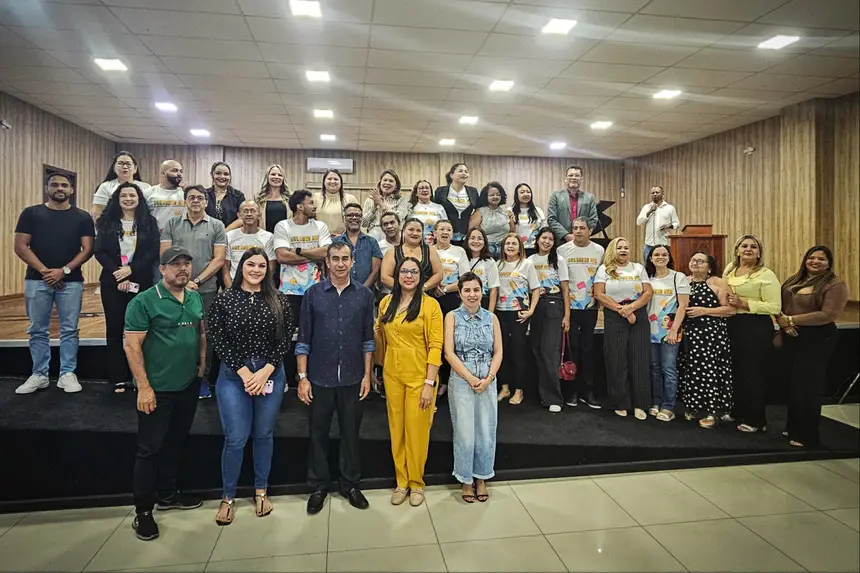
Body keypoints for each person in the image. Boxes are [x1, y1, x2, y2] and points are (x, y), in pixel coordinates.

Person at [208, 247, 295, 525]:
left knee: (263, 435)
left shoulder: (279, 300)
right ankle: (228, 497)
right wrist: (246, 373)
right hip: (235, 376)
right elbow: (218, 340)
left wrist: (266, 371)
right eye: (250, 264)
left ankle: (261, 491)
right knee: (235, 439)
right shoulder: (225, 300)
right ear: (240, 267)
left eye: (261, 265)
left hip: (270, 373)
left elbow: (284, 341)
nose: (256, 269)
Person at [124, 246, 206, 541]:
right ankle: (143, 512)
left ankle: (168, 493)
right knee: (149, 449)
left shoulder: (195, 297)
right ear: (162, 269)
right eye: (175, 265)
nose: (182, 268)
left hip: (187, 385)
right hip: (156, 390)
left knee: (175, 442)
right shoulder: (144, 302)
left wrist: (202, 366)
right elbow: (132, 346)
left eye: (186, 263)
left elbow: (200, 332)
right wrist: (144, 387)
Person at [296, 242, 376, 514]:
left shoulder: (364, 295)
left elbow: (368, 341)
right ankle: (318, 486)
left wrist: (367, 375)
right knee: (317, 433)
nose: (340, 264)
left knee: (351, 434)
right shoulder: (313, 294)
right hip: (319, 378)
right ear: (327, 262)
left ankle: (350, 484)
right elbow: (303, 340)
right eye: (335, 259)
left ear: (352, 262)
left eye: (345, 259)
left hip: (354, 378)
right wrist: (303, 377)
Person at [14, 172, 95, 395]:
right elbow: (21, 246)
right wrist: (45, 272)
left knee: (70, 329)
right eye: (55, 184)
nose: (60, 188)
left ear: (72, 190)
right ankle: (39, 374)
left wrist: (64, 271)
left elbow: (87, 249)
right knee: (37, 330)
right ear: (47, 188)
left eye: (64, 185)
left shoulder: (82, 217)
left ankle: (67, 373)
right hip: (36, 280)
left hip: (71, 282)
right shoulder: (31, 213)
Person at [376, 257, 443, 506]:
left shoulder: (430, 306)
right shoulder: (386, 303)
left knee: (416, 431)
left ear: (421, 276)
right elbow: (379, 335)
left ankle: (416, 483)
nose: (408, 276)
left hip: (419, 377)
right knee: (397, 429)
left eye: (414, 272)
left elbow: (436, 345)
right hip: (392, 374)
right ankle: (401, 481)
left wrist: (429, 383)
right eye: (404, 271)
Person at [160, 185, 228, 400]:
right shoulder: (172, 224)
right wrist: (182, 281)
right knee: (175, 331)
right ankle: (176, 375)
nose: (196, 201)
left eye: (200, 197)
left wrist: (195, 281)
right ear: (185, 201)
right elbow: (165, 255)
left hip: (205, 289)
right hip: (175, 289)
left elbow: (219, 259)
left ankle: (202, 378)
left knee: (203, 334)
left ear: (206, 202)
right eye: (191, 197)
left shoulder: (217, 225)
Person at [778, 246, 848, 448]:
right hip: (791, 335)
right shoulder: (795, 279)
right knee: (793, 385)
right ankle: (792, 428)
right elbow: (780, 305)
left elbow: (828, 315)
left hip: (817, 338)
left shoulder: (835, 284)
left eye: (821, 259)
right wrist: (784, 322)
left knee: (808, 387)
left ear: (829, 263)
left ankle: (807, 434)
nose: (815, 262)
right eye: (811, 258)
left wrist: (790, 319)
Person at [94, 182, 160, 393]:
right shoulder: (107, 222)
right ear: (117, 198)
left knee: (140, 329)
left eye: (133, 195)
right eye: (124, 195)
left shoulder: (149, 222)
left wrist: (130, 270)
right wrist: (118, 273)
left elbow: (152, 252)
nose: (128, 199)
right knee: (114, 329)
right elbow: (100, 251)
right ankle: (118, 377)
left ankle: (139, 374)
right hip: (112, 281)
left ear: (139, 198)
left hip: (140, 281)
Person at [444, 272, 503, 503]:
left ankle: (482, 477)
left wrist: (489, 378)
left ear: (482, 292)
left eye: (476, 290)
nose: (472, 294)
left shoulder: (492, 318)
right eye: (467, 290)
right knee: (465, 433)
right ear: (460, 293)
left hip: (487, 379)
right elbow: (448, 352)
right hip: (461, 378)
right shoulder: (451, 317)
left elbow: (498, 352)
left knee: (486, 432)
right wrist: (469, 377)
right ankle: (466, 479)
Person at [273, 189, 332, 387]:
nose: (314, 206)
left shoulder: (320, 226)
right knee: (288, 336)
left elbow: (326, 252)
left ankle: (310, 377)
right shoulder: (283, 226)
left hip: (316, 289)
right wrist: (311, 255)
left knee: (314, 334)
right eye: (311, 202)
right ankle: (288, 379)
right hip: (289, 292)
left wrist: (297, 251)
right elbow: (282, 256)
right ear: (300, 206)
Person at [723, 234, 781, 433]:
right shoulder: (730, 270)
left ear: (759, 253)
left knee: (752, 373)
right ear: (737, 250)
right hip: (733, 325)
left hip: (755, 326)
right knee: (737, 371)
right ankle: (739, 410)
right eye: (744, 246)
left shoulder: (766, 274)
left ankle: (756, 420)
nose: (748, 249)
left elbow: (774, 306)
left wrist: (744, 304)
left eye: (753, 247)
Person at [594, 237, 653, 419]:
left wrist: (631, 308)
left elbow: (648, 292)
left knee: (639, 359)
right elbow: (599, 294)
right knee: (616, 359)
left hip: (638, 315)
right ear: (613, 250)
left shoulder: (638, 268)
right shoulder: (604, 269)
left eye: (626, 247)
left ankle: (640, 404)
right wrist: (623, 310)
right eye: (619, 247)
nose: (623, 250)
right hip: (615, 315)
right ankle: (620, 402)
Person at [679, 252, 735, 429]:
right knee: (692, 370)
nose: (695, 263)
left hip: (712, 335)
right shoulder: (684, 281)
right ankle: (695, 407)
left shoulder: (717, 282)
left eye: (700, 261)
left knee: (710, 370)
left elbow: (730, 310)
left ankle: (713, 412)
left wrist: (704, 311)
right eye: (693, 260)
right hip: (691, 335)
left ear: (709, 266)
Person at [556, 217, 604, 408]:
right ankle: (571, 391)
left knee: (588, 348)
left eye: (582, 228)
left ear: (590, 231)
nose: (578, 231)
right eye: (574, 228)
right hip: (569, 307)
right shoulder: (562, 250)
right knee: (571, 349)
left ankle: (588, 390)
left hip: (589, 307)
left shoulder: (599, 250)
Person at [527, 228, 570, 412]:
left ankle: (554, 398)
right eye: (544, 238)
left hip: (554, 305)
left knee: (549, 352)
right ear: (537, 240)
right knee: (536, 348)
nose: (547, 241)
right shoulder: (529, 261)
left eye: (551, 239)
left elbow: (566, 290)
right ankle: (542, 393)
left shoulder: (559, 261)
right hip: (535, 306)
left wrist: (567, 315)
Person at [645, 245, 689, 421]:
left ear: (669, 257)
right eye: (656, 254)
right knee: (654, 369)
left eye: (664, 254)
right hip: (650, 330)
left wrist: (674, 330)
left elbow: (683, 306)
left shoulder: (678, 277)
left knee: (669, 369)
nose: (660, 257)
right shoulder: (647, 278)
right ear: (650, 258)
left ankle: (669, 406)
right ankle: (656, 402)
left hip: (670, 332)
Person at [495, 234, 540, 406]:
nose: (511, 246)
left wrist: (531, 311)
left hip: (519, 314)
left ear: (520, 247)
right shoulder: (497, 264)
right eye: (508, 243)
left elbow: (535, 289)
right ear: (503, 247)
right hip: (501, 313)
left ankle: (519, 390)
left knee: (519, 352)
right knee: (502, 351)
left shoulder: (527, 264)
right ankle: (505, 388)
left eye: (514, 243)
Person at [431, 219, 470, 397]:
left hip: (451, 299)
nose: (445, 232)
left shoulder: (459, 251)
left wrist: (445, 288)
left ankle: (447, 381)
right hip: (430, 298)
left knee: (449, 341)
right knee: (432, 340)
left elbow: (465, 278)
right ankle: (433, 379)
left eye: (449, 229)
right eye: (442, 229)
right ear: (435, 232)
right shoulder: (429, 250)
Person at [380, 217, 443, 293]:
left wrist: (422, 288)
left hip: (425, 295)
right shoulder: (392, 252)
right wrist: (405, 290)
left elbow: (439, 274)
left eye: (418, 230)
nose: (415, 233)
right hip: (399, 296)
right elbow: (385, 277)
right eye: (411, 229)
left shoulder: (430, 250)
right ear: (403, 231)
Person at [222, 200, 276, 288]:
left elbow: (271, 268)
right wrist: (231, 290)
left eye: (253, 211)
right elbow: (225, 269)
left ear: (259, 214)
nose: (249, 214)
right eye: (245, 211)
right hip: (235, 285)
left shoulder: (268, 237)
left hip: (259, 286)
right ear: (239, 215)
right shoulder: (229, 236)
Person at [228, 164, 292, 234]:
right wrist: (224, 232)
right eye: (273, 174)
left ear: (283, 179)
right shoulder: (258, 198)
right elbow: (247, 218)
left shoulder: (290, 198)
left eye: (280, 175)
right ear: (267, 177)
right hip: (265, 239)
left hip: (286, 238)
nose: (276, 177)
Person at [547, 165, 599, 244]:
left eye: (577, 175)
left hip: (583, 241)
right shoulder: (556, 196)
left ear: (581, 179)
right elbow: (551, 219)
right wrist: (566, 235)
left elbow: (593, 219)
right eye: (570, 175)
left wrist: (582, 235)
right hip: (561, 241)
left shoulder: (590, 197)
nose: (573, 178)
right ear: (566, 179)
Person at [92, 150, 149, 220]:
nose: (125, 167)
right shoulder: (105, 187)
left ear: (135, 168)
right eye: (120, 163)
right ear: (114, 168)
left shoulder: (146, 187)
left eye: (128, 164)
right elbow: (97, 212)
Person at [335, 203, 382, 287]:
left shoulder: (372, 242)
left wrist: (363, 289)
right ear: (343, 218)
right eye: (350, 215)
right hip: (340, 292)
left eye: (358, 215)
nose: (354, 218)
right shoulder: (335, 242)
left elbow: (376, 270)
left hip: (366, 293)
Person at [434, 163, 479, 245]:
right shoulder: (440, 191)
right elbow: (435, 211)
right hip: (445, 235)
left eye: (466, 171)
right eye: (460, 171)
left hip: (466, 236)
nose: (464, 173)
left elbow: (479, 210)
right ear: (451, 175)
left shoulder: (473, 191)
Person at [469, 181, 515, 259]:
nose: (495, 197)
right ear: (485, 197)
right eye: (492, 195)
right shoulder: (479, 212)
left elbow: (512, 232)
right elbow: (471, 233)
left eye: (498, 194)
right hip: (485, 249)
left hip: (505, 250)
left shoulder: (506, 212)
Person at [362, 170, 410, 241]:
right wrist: (374, 207)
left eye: (391, 181)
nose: (387, 183)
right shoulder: (370, 199)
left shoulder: (402, 200)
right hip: (374, 234)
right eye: (385, 180)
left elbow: (398, 218)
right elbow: (363, 224)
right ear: (380, 183)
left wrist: (381, 204)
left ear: (396, 186)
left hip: (394, 234)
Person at [636, 186, 680, 262]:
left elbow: (677, 223)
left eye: (657, 192)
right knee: (648, 268)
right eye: (653, 193)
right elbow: (639, 222)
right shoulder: (647, 207)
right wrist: (650, 211)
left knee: (665, 266)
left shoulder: (670, 208)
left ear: (662, 193)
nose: (655, 194)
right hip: (649, 245)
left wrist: (669, 226)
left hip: (664, 244)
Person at [144, 159, 185, 234]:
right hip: (156, 238)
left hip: (180, 238)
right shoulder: (149, 193)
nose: (179, 174)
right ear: (163, 173)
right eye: (175, 170)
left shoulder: (185, 193)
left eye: (181, 171)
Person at [313, 168, 358, 237]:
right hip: (319, 239)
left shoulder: (350, 199)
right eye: (329, 179)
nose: (332, 181)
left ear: (341, 182)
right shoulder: (314, 198)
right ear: (324, 181)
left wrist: (343, 236)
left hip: (344, 239)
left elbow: (356, 220)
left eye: (336, 179)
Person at [465, 226, 500, 311]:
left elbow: (493, 290)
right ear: (467, 241)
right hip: (463, 301)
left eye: (480, 238)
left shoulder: (489, 262)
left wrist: (490, 314)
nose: (476, 241)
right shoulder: (462, 259)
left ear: (484, 242)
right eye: (472, 238)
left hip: (482, 302)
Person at [205, 161, 246, 228]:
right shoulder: (204, 194)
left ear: (230, 177)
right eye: (218, 173)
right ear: (212, 175)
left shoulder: (238, 196)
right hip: (207, 235)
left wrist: (224, 233)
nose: (222, 176)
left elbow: (242, 218)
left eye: (226, 174)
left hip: (231, 235)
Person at [509, 183, 545, 257]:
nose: (526, 194)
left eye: (528, 192)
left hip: (535, 248)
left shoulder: (538, 211)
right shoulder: (510, 211)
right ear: (516, 195)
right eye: (522, 192)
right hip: (517, 249)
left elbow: (543, 230)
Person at [408, 179, 447, 244]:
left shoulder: (439, 207)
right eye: (421, 188)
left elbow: (445, 225)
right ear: (416, 193)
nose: (424, 190)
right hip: (415, 241)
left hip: (435, 242)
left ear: (431, 192)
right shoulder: (410, 207)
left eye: (427, 188)